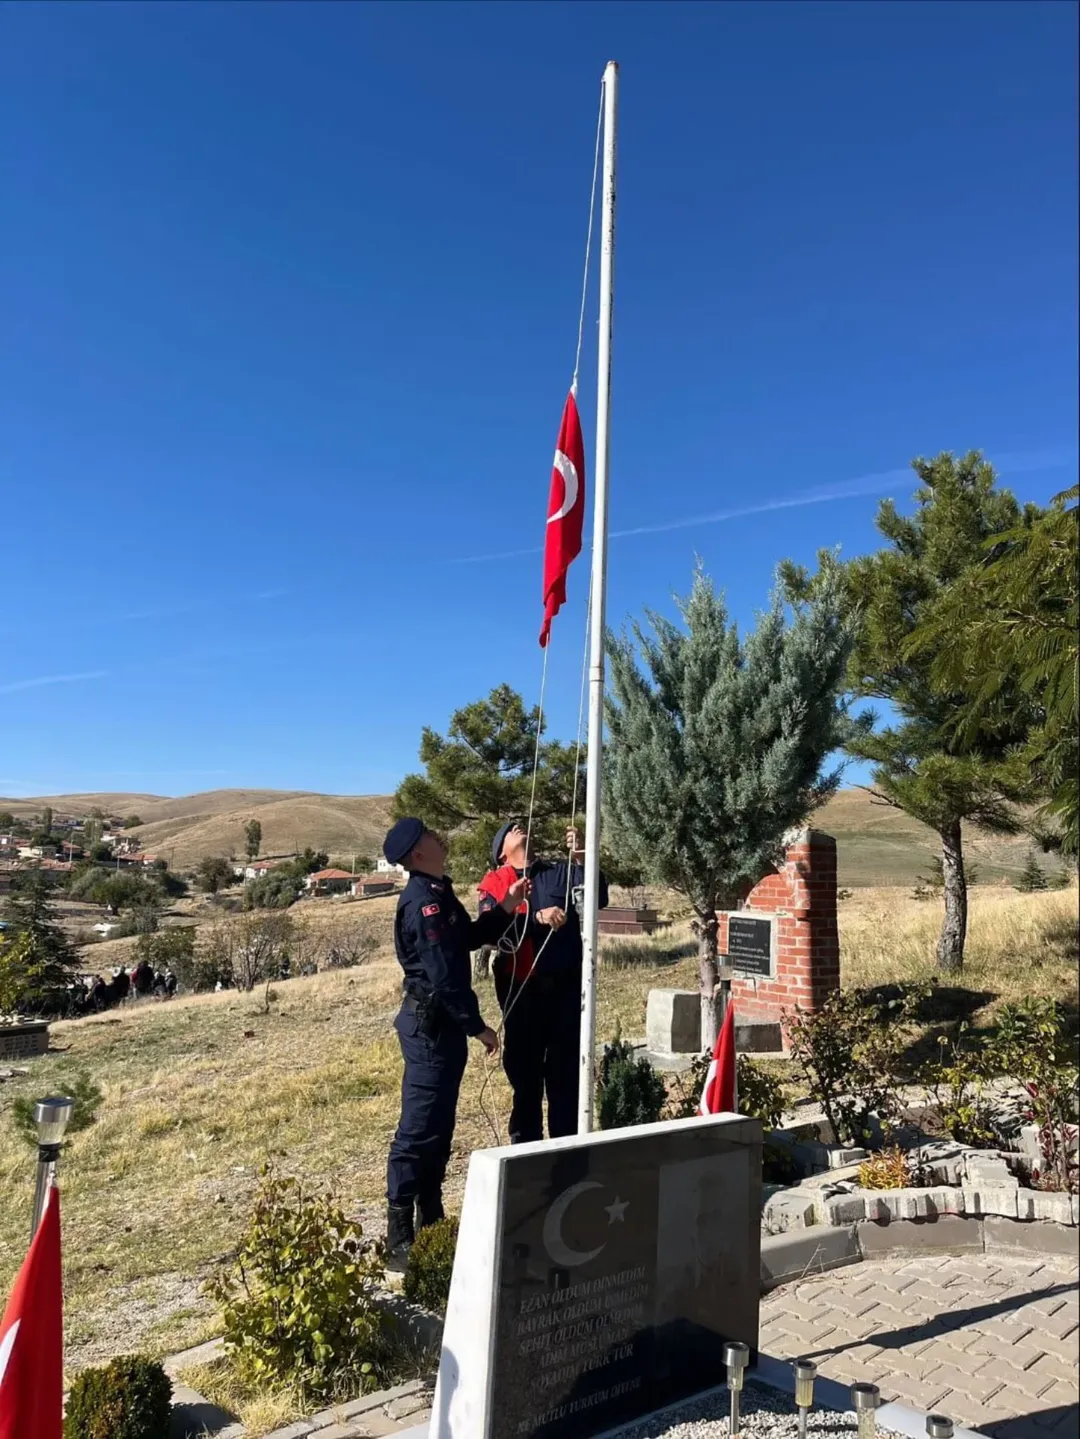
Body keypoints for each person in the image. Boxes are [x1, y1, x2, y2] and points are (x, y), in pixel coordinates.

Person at [383, 816, 528, 1269]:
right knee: (419, 1126)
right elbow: (444, 976)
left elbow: (464, 938)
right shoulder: (421, 902)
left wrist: (504, 907)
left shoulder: (439, 892)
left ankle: (432, 1218)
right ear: (416, 854)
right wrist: (477, 1026)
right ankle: (399, 1234)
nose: (436, 835)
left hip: (441, 1028)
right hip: (431, 1026)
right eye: (429, 834)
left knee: (439, 1126)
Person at [478, 821, 608, 1144]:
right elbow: (493, 933)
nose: (519, 826)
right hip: (522, 999)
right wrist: (536, 918)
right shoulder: (494, 884)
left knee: (566, 1083)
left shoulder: (559, 872)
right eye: (510, 829)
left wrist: (581, 855)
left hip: (564, 995)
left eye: (521, 824)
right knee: (526, 1085)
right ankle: (527, 1156)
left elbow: (598, 896)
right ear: (501, 852)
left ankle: (567, 1158)